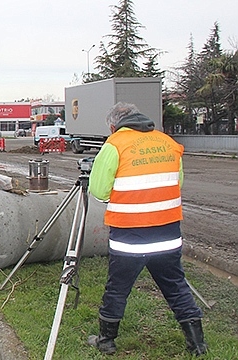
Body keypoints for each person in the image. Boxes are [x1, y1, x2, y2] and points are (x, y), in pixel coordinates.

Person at [88, 102, 207, 356]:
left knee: (118, 288)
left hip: (130, 235)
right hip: (167, 233)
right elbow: (178, 182)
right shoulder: (167, 142)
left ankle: (106, 340)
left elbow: (99, 191)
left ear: (113, 126)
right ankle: (197, 343)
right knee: (176, 284)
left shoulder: (115, 144)